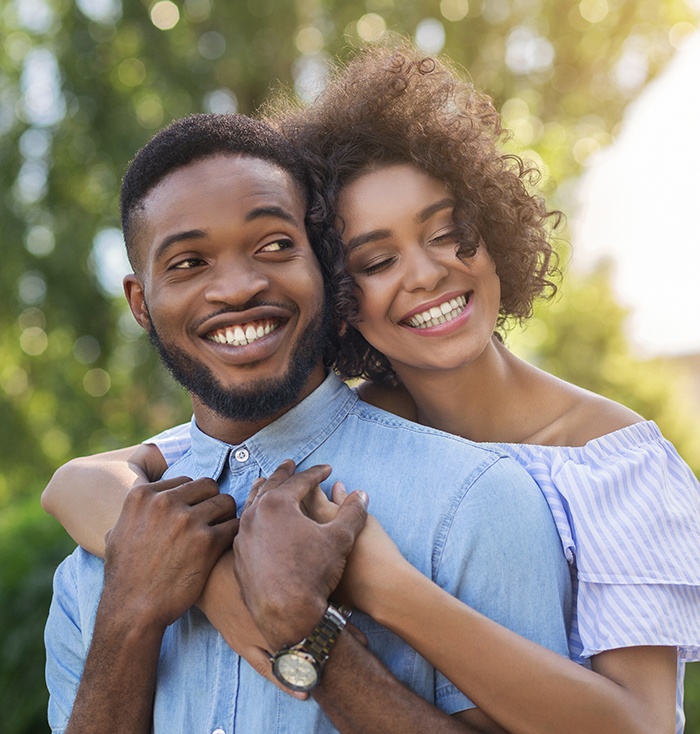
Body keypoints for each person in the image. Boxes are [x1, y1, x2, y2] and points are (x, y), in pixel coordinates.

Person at [42, 46, 700, 733]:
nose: (425, 275)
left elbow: (642, 726)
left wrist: (373, 592)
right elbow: (97, 477)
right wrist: (209, 581)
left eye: (449, 232)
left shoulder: (601, 465)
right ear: (341, 291)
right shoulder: (341, 428)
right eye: (378, 260)